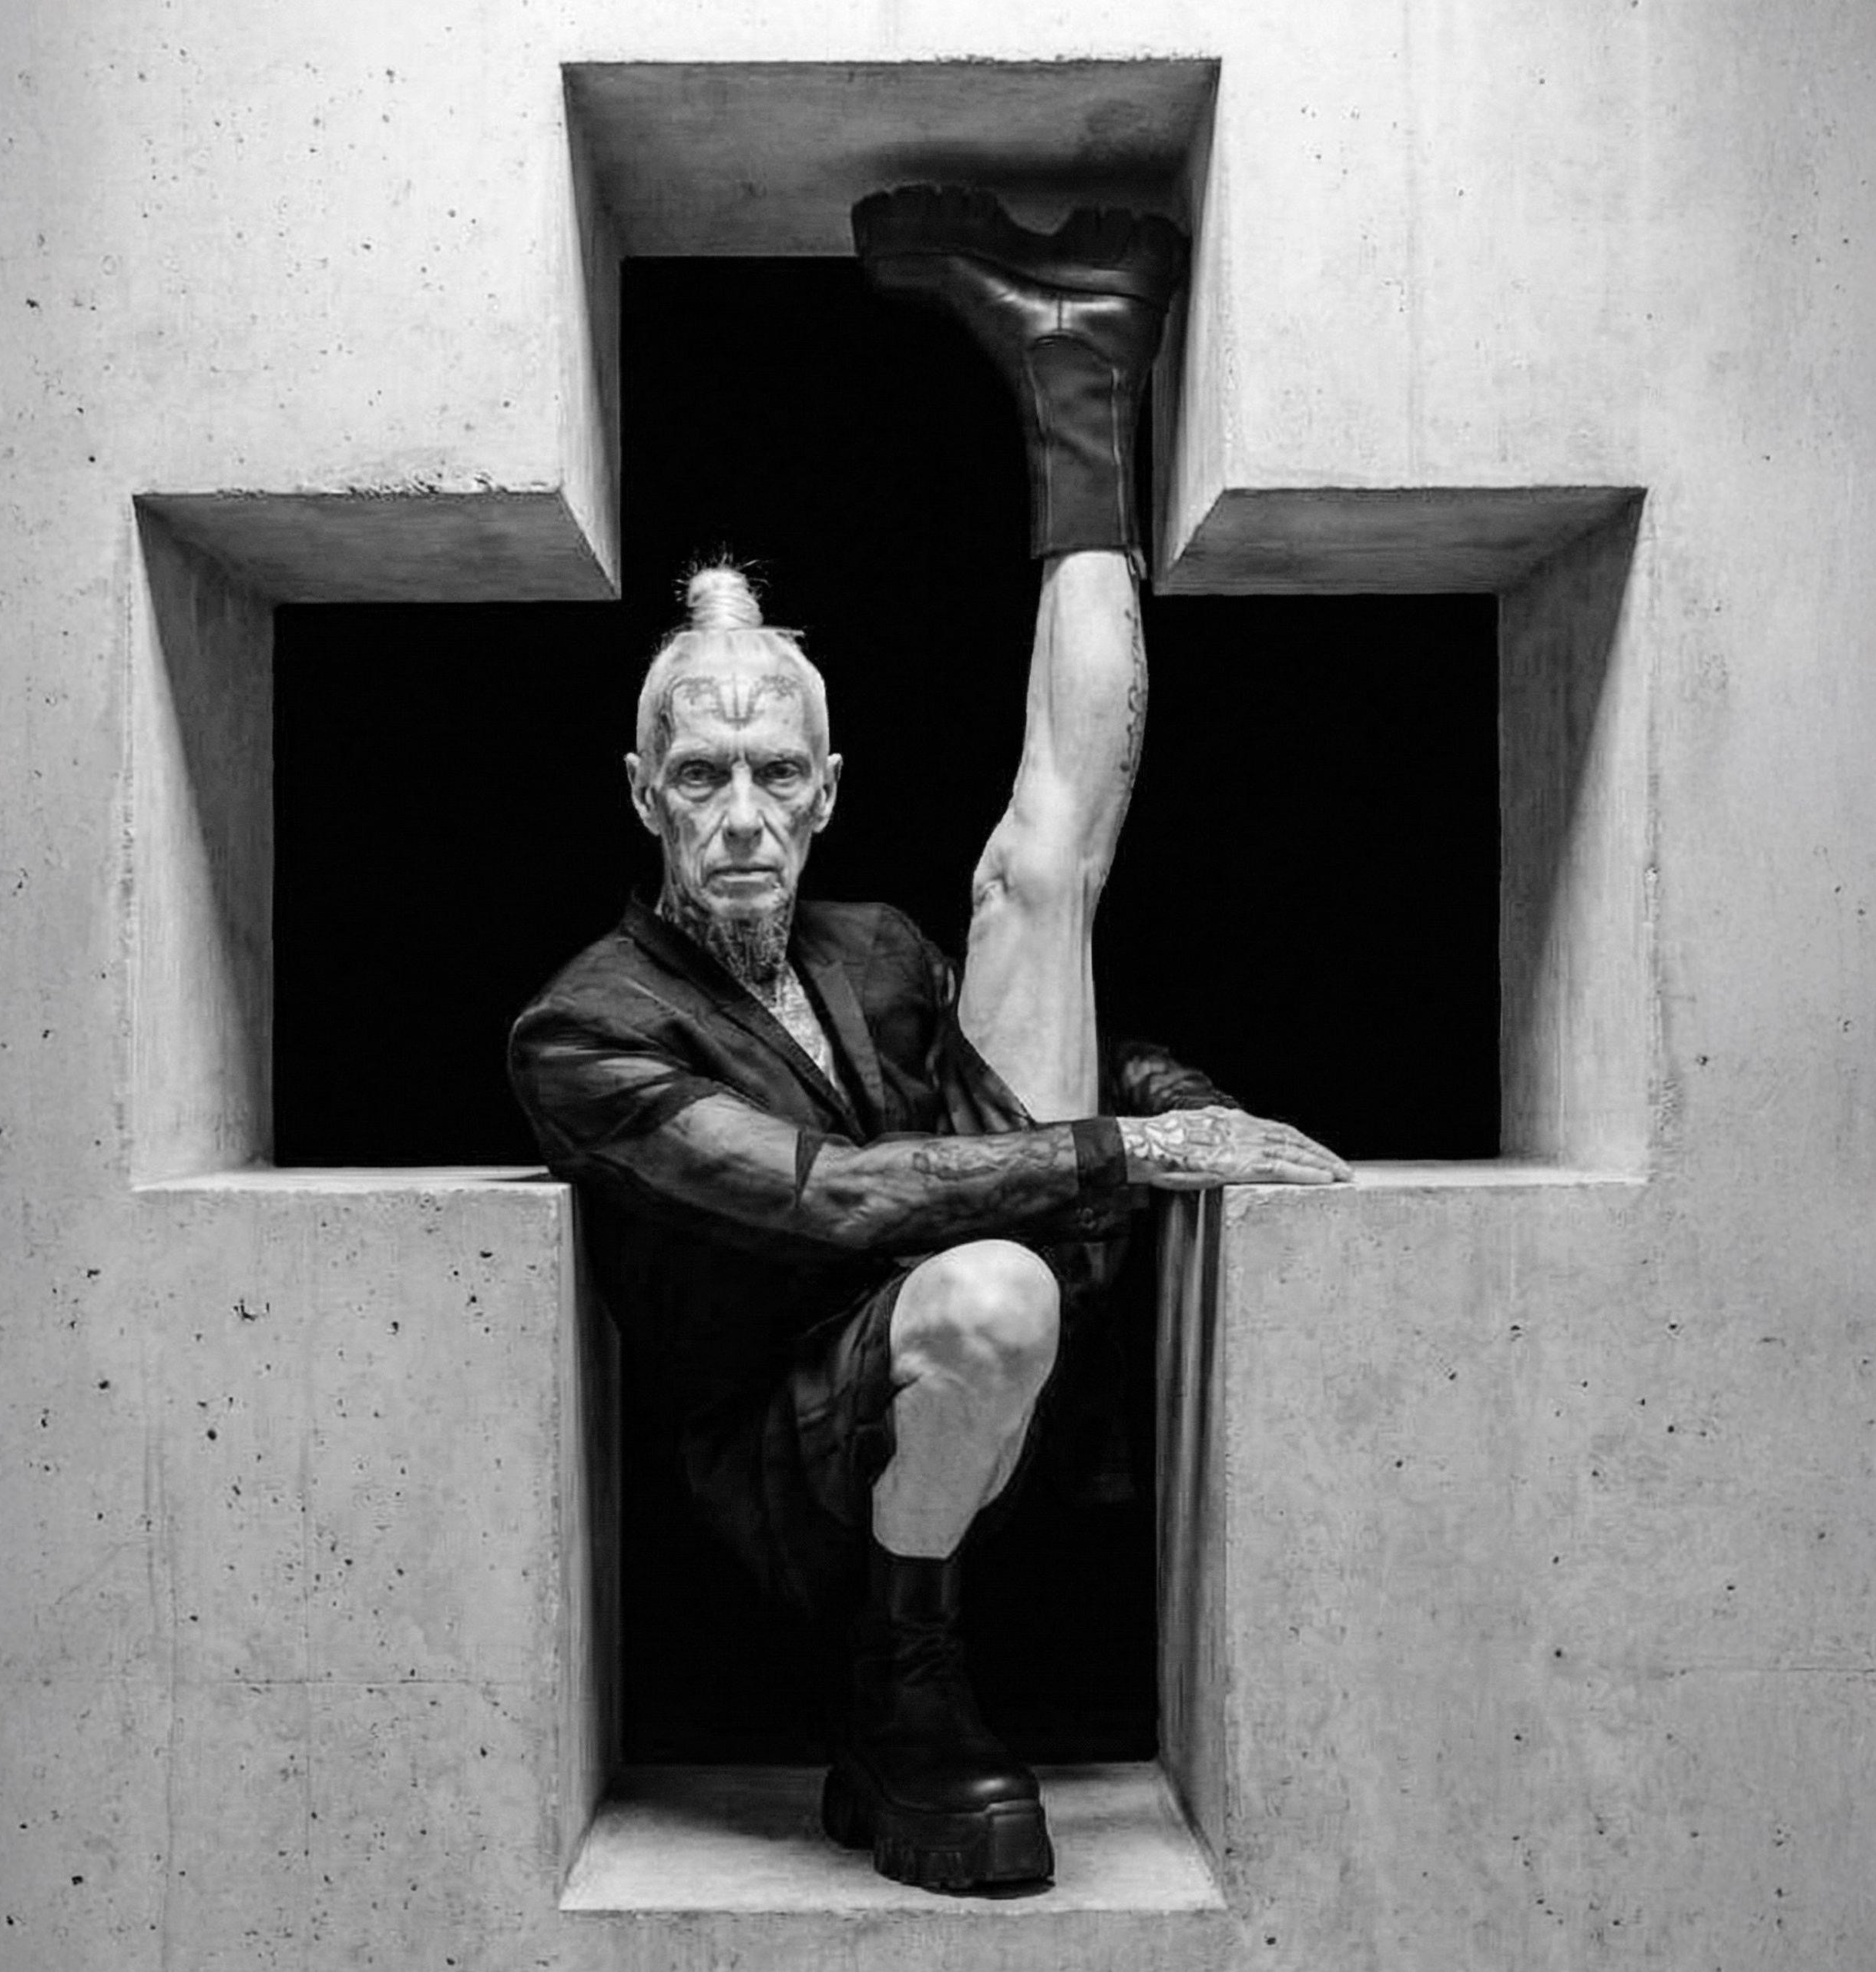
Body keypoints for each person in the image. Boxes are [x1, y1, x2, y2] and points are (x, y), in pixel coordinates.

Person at [508, 184, 1350, 1893]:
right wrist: (1127, 1150)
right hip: (795, 1453)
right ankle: (905, 1688)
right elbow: (819, 1195)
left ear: (824, 790)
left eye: (774, 773)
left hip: (996, 1318)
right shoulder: (582, 1026)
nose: (740, 814)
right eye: (698, 775)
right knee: (990, 1293)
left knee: (1038, 875)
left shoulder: (875, 945)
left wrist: (1173, 1097)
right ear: (642, 795)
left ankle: (1079, 368)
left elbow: (1029, 1066)